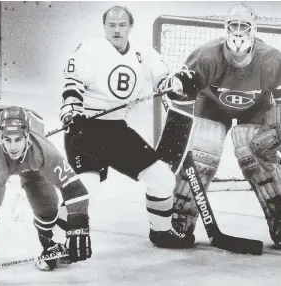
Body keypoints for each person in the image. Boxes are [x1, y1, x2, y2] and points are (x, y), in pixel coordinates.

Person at [59, 5, 200, 249]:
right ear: (104, 27)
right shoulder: (89, 48)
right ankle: (51, 233)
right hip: (84, 128)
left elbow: (165, 81)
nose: (116, 30)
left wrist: (179, 83)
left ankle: (161, 233)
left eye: (122, 25)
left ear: (130, 27)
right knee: (86, 186)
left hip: (116, 129)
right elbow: (72, 85)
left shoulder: (143, 52)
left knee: (163, 179)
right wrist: (71, 109)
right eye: (111, 25)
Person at [0, 75, 92, 285]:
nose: (13, 147)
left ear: (27, 137)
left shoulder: (41, 148)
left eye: (18, 140)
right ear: (1, 138)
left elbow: (75, 189)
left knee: (46, 202)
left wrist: (79, 225)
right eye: (7, 139)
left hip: (31, 152)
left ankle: (48, 241)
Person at [168, 3, 281, 247]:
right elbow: (183, 94)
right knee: (202, 151)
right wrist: (178, 87)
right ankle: (178, 220)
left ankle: (279, 220)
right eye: (234, 25)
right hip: (212, 105)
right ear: (226, 27)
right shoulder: (206, 56)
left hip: (256, 107)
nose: (238, 31)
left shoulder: (272, 59)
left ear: (254, 28)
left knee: (254, 150)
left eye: (244, 26)